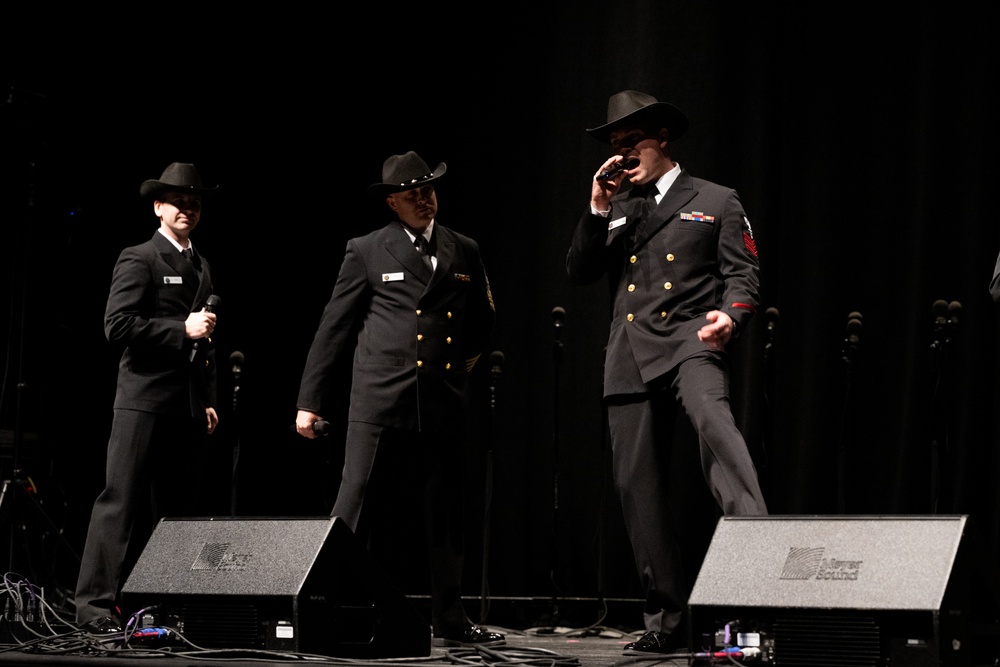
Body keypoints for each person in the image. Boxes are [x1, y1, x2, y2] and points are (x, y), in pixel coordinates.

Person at [566, 90, 768, 655]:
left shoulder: (715, 198)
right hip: (629, 352)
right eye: (615, 145)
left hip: (690, 341)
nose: (623, 154)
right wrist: (598, 205)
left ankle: (758, 589)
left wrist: (731, 317)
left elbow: (743, 275)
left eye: (632, 142)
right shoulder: (619, 207)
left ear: (662, 140)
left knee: (718, 436)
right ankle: (666, 621)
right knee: (638, 488)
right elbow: (579, 271)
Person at [294, 151, 503, 648]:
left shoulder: (463, 248)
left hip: (442, 399)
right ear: (392, 202)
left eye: (429, 190)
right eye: (412, 194)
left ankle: (450, 618)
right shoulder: (367, 250)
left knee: (446, 518)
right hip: (380, 396)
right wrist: (310, 400)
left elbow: (482, 323)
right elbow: (334, 328)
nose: (424, 199)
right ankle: (321, 609)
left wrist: (457, 375)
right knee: (354, 506)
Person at [74, 162, 220, 634]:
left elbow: (205, 344)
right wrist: (179, 329)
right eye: (178, 201)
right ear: (158, 207)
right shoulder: (139, 257)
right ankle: (95, 607)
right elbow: (117, 326)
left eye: (194, 201)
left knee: (177, 515)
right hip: (143, 400)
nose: (187, 208)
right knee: (120, 502)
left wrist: (208, 397)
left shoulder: (202, 264)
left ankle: (165, 607)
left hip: (187, 405)